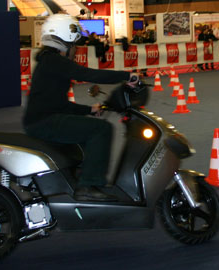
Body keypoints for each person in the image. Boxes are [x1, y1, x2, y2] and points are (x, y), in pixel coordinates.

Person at [23, 14, 135, 202]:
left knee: (87, 129)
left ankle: (80, 177)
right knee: (101, 129)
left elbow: (59, 104)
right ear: (65, 40)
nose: (76, 49)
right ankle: (88, 186)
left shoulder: (48, 61)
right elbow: (87, 73)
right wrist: (126, 75)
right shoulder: (54, 61)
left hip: (43, 118)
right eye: (75, 44)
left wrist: (88, 110)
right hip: (44, 122)